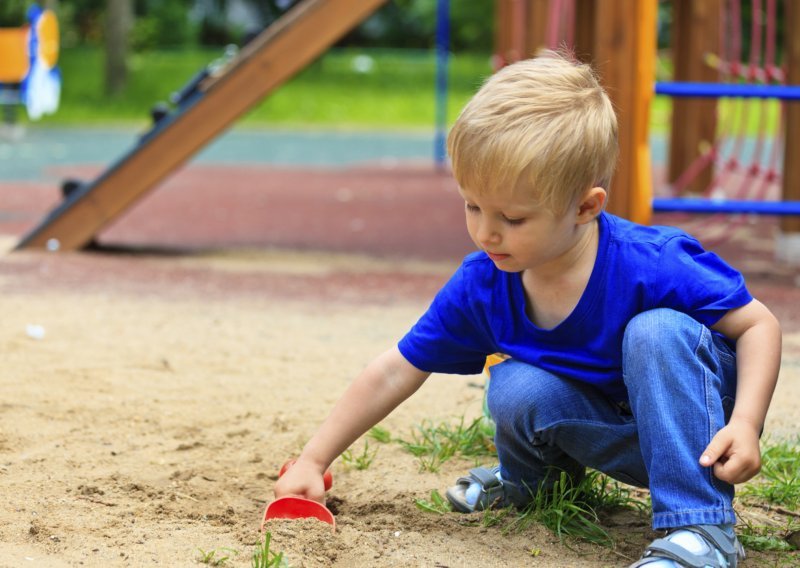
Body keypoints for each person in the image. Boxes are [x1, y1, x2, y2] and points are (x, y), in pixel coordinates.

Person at [273, 50, 781, 568]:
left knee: (655, 331)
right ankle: (533, 486)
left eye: (513, 218)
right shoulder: (485, 282)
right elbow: (397, 368)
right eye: (472, 206)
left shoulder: (653, 262)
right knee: (516, 385)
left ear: (586, 207)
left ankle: (701, 528)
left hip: (700, 440)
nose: (486, 231)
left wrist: (745, 423)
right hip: (620, 438)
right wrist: (314, 459)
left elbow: (758, 324)